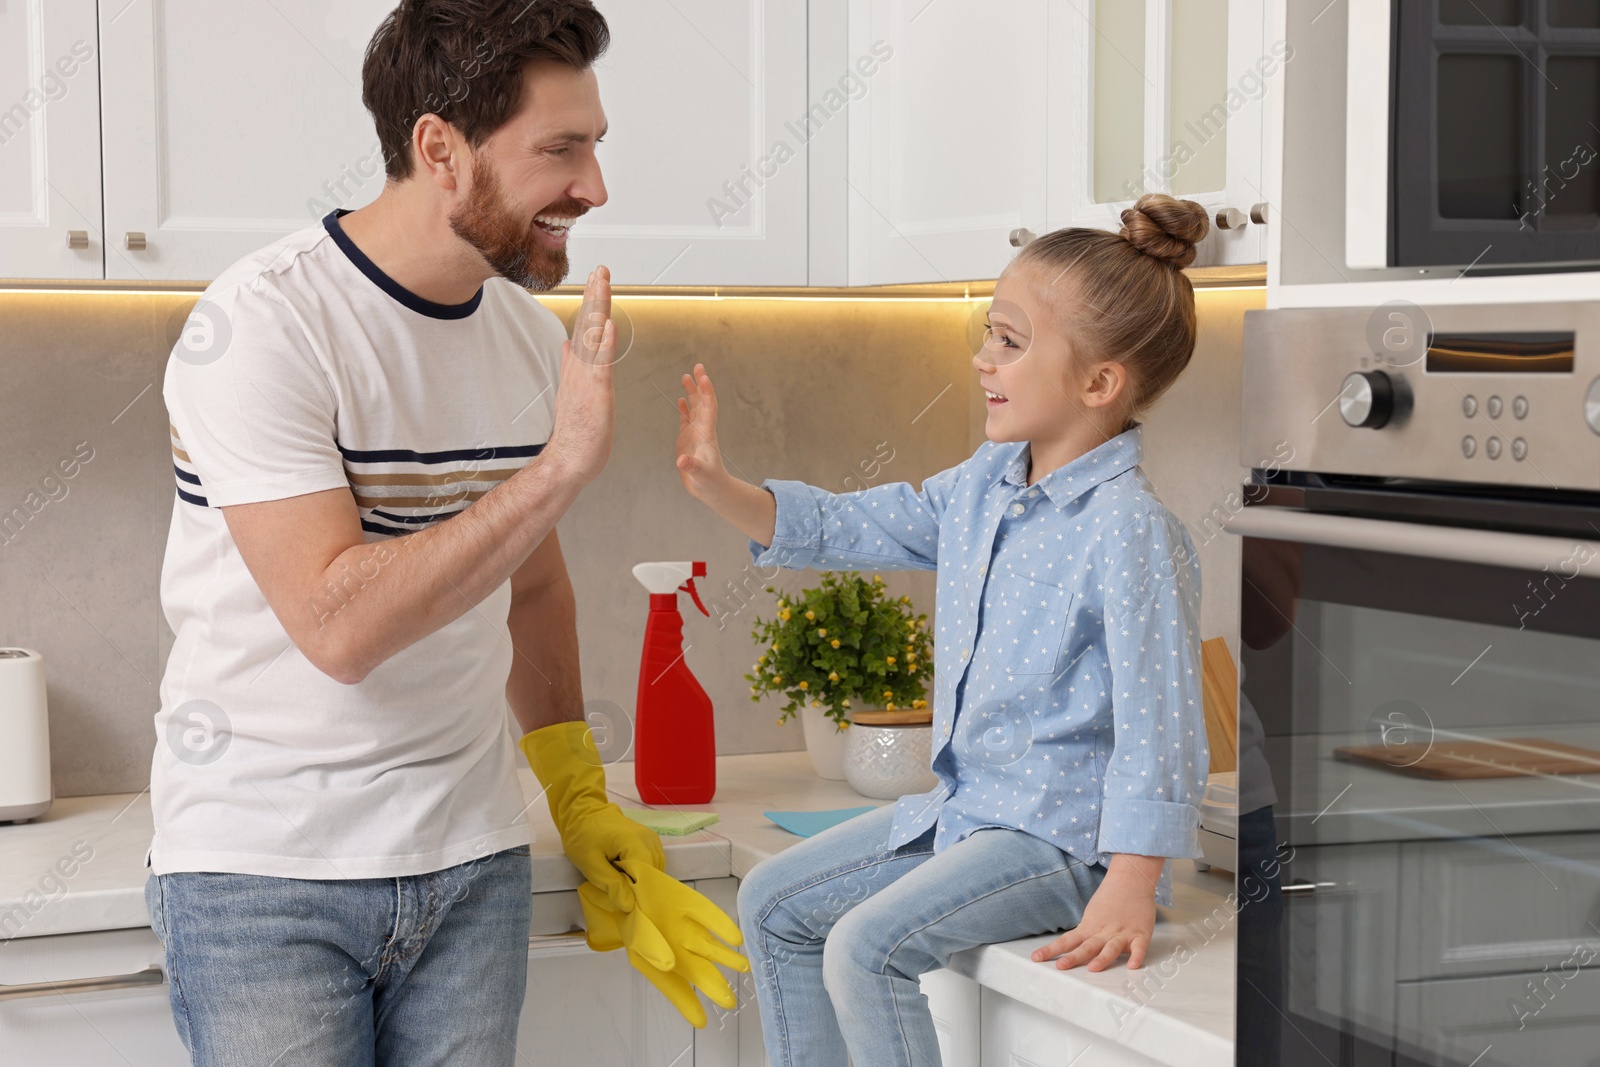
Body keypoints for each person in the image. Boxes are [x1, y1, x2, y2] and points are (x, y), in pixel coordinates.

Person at [148, 3, 741, 1065]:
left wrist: (574, 790)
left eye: (595, 145)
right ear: (440, 149)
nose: (594, 188)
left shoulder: (519, 336)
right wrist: (558, 467)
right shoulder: (263, 325)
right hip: (264, 872)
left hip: (471, 860)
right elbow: (338, 623)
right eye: (560, 149)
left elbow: (533, 589)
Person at [674, 194, 1214, 1066]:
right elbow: (856, 527)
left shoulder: (1128, 528)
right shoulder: (983, 487)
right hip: (965, 817)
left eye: (1009, 339)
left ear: (1098, 383)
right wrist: (720, 486)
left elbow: (1163, 722)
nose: (981, 357)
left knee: (865, 946)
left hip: (1059, 842)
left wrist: (1132, 881)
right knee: (774, 901)